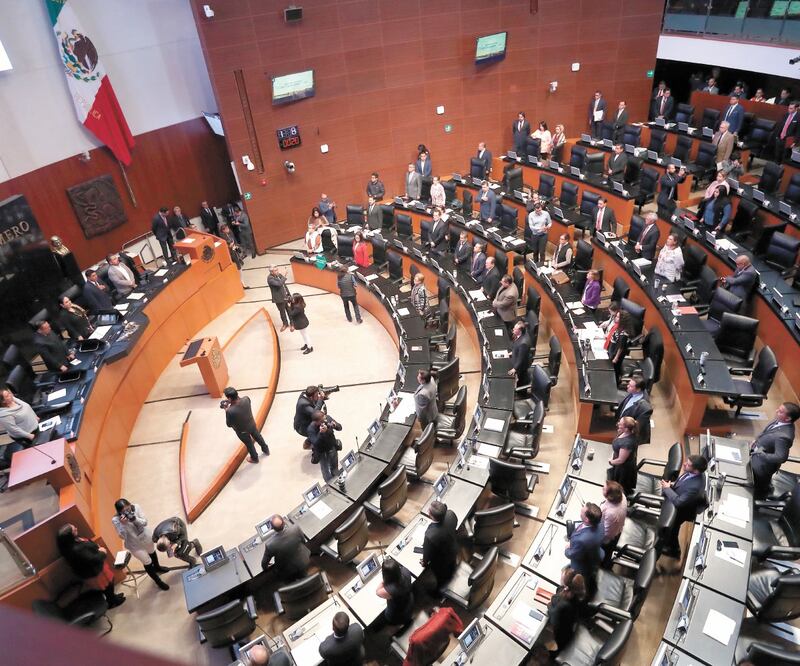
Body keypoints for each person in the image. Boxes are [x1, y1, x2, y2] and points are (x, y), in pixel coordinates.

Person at [57, 524, 125, 608]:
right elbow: (93, 559)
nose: (76, 528)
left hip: (98, 568)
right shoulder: (76, 550)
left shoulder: (75, 541)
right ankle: (112, 601)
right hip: (95, 573)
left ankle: (113, 597)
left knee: (110, 582)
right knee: (108, 586)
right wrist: (103, 552)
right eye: (74, 529)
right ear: (70, 536)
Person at [111, 499, 169, 591]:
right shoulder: (116, 519)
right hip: (134, 544)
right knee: (147, 561)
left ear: (130, 504)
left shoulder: (136, 507)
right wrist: (124, 525)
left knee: (152, 552)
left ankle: (158, 568)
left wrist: (134, 519)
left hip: (146, 537)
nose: (127, 512)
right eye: (123, 511)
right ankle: (158, 581)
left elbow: (145, 522)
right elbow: (122, 536)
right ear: (119, 512)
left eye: (128, 508)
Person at [660, 455, 708, 559]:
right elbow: (682, 482)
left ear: (696, 471)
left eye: (688, 464)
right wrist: (672, 485)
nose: (684, 464)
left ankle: (674, 551)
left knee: (673, 529)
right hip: (679, 499)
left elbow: (678, 502)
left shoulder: (695, 486)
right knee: (671, 529)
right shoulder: (692, 473)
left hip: (681, 511)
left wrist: (667, 489)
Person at [750, 402, 799, 499]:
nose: (776, 411)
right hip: (755, 454)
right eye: (778, 409)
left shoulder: (784, 437)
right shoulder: (779, 420)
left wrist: (762, 455)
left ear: (788, 418)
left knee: (756, 491)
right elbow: (767, 431)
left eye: (780, 412)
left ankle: (757, 505)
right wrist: (756, 440)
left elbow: (781, 457)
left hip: (761, 468)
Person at [564, 502, 604, 596]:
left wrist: (567, 549)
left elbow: (572, 554)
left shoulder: (582, 540)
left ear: (586, 519)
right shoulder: (601, 524)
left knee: (570, 578)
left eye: (582, 511)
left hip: (582, 565)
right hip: (595, 554)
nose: (580, 510)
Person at [546, 568, 588, 656]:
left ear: (567, 586)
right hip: (573, 625)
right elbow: (560, 590)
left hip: (563, 635)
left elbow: (553, 620)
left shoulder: (562, 605)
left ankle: (558, 654)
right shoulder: (580, 592)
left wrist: (549, 606)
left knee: (559, 646)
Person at [223, 386, 269, 464]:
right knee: (258, 436)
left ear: (229, 399)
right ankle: (266, 450)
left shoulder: (230, 411)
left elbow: (229, 424)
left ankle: (254, 458)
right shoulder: (246, 399)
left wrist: (226, 409)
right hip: (252, 424)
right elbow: (242, 405)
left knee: (249, 444)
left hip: (243, 431)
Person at [260, 515, 310, 581]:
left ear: (272, 528)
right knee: (302, 574)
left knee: (289, 578)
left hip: (287, 571)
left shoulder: (270, 545)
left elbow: (264, 564)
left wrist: (266, 569)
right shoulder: (296, 528)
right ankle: (305, 580)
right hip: (304, 561)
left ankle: (293, 583)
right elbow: (303, 541)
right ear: (284, 522)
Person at [422, 500, 458, 589]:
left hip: (441, 562)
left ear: (431, 515)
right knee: (451, 568)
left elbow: (427, 554)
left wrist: (424, 562)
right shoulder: (450, 514)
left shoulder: (430, 535)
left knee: (441, 579)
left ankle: (439, 592)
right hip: (453, 549)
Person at [376, 556, 414, 626]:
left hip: (398, 614)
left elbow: (378, 592)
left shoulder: (391, 590)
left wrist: (384, 580)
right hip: (409, 602)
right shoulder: (406, 571)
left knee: (383, 616)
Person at [0, 388, 38, 457]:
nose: (11, 395)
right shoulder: (4, 415)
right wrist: (28, 435)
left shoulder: (13, 400)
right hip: (27, 435)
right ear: (3, 401)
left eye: (9, 393)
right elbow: (14, 429)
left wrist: (35, 416)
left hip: (34, 426)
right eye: (7, 395)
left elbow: (27, 406)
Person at [307, 410, 342, 481]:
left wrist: (335, 425)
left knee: (335, 468)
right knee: (325, 470)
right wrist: (321, 433)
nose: (325, 421)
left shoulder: (327, 418)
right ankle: (330, 485)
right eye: (322, 421)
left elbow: (340, 427)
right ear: (316, 422)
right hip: (322, 453)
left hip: (332, 447)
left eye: (325, 418)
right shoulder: (311, 429)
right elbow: (316, 444)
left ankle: (338, 480)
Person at [616, 377, 652, 442]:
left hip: (628, 436)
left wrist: (623, 437)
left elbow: (637, 428)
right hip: (622, 427)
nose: (627, 386)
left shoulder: (645, 408)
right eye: (628, 384)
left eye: (630, 386)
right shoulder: (633, 393)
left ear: (638, 389)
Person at [608, 416, 638, 494]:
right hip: (618, 462)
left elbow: (621, 460)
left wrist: (611, 462)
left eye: (620, 424)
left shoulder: (627, 443)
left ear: (626, 429)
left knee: (619, 489)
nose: (618, 424)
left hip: (623, 470)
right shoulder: (625, 432)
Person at [600, 481, 627, 567]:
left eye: (604, 488)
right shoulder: (623, 496)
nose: (602, 488)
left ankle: (602, 567)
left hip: (608, 540)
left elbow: (607, 534)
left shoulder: (611, 513)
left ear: (610, 496)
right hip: (618, 529)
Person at [608, 310, 634, 380]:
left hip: (616, 353)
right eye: (616, 316)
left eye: (618, 317)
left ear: (623, 320)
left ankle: (615, 381)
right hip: (613, 348)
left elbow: (621, 347)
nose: (615, 318)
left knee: (615, 369)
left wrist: (616, 358)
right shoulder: (619, 326)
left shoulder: (624, 334)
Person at [266, 266, 290, 332]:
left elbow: (284, 285)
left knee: (289, 310)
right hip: (279, 298)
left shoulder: (278, 275)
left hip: (286, 296)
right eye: (276, 270)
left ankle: (292, 323)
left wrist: (288, 293)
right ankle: (285, 324)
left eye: (277, 270)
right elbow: (279, 284)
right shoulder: (270, 279)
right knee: (282, 312)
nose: (278, 271)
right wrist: (284, 275)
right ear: (271, 272)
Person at [508, 319, 531, 385]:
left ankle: (522, 393)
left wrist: (514, 369)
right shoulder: (521, 335)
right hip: (517, 357)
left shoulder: (523, 343)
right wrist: (512, 352)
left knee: (521, 381)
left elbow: (521, 358)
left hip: (521, 366)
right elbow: (517, 348)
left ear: (520, 331)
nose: (513, 329)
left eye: (515, 329)